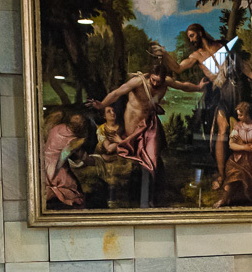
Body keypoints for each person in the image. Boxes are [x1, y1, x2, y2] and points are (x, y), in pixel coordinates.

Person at [151, 23, 252, 191]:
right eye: (189, 38)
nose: (191, 39)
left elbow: (241, 65)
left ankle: (241, 173)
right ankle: (221, 174)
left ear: (201, 32)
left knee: (243, 127)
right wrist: (164, 54)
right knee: (221, 130)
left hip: (236, 90)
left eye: (192, 35)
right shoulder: (197, 55)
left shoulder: (221, 46)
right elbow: (178, 68)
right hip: (218, 95)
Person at [88, 63, 205, 207]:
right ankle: (136, 199)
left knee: (152, 160)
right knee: (133, 158)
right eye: (153, 80)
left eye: (159, 81)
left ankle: (148, 200)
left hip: (149, 125)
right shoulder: (138, 82)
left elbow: (183, 86)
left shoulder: (166, 82)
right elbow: (117, 93)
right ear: (150, 76)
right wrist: (101, 104)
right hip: (132, 124)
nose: (156, 84)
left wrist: (198, 88)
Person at [214, 101, 252, 208]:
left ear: (247, 114)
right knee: (233, 173)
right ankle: (225, 199)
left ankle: (239, 199)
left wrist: (241, 144)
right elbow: (231, 145)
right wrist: (246, 146)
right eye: (238, 114)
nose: (238, 117)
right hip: (236, 159)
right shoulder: (237, 126)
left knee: (242, 175)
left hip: (251, 161)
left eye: (241, 114)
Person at [41, 112, 87, 207]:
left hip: (45, 161)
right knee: (69, 186)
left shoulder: (57, 127)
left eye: (81, 120)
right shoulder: (75, 140)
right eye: (77, 118)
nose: (79, 121)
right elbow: (63, 156)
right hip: (54, 166)